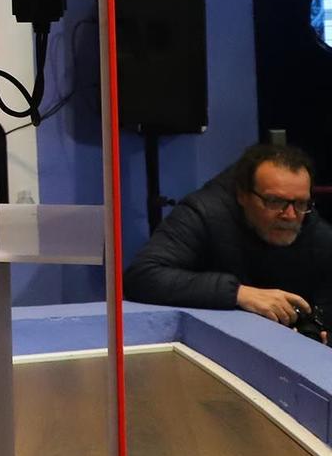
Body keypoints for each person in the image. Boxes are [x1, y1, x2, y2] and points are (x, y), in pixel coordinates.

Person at [127, 142, 332, 331]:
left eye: (300, 203)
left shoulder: (315, 231)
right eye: (274, 201)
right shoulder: (204, 213)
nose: (290, 215)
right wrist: (238, 293)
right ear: (242, 195)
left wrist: (319, 332)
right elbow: (142, 276)